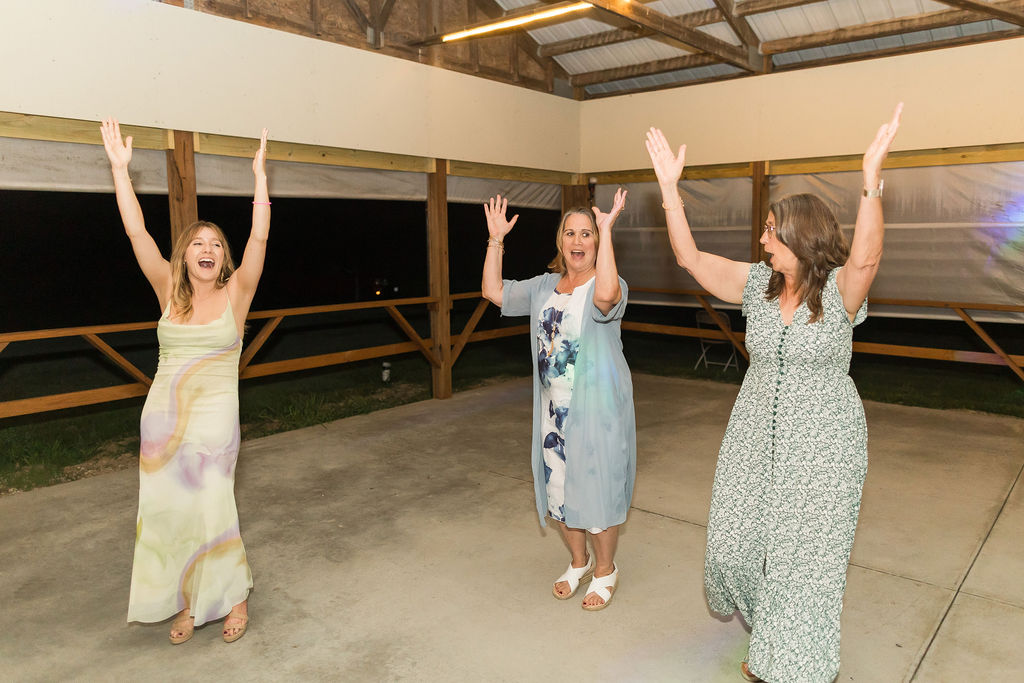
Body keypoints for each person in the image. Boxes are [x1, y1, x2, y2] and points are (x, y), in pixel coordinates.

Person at [645, 104, 902, 681]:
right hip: (754, 435)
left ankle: (789, 662)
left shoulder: (838, 292)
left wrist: (871, 180)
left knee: (802, 563)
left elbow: (867, 255)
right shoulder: (758, 284)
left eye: (770, 230)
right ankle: (776, 640)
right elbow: (690, 259)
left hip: (824, 445)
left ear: (799, 237)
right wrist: (669, 190)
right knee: (735, 546)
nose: (762, 238)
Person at [100, 117, 270, 644]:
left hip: (216, 420)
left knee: (214, 503)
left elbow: (260, 235)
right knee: (171, 513)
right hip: (162, 423)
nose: (207, 248)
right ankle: (189, 602)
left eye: (215, 244)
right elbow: (137, 233)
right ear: (185, 255)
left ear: (223, 258)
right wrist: (120, 172)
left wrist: (260, 179)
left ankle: (234, 597)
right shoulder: (166, 290)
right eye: (197, 242)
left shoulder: (237, 293)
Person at [481, 190, 636, 610]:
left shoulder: (609, 282)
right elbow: (493, 291)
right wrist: (496, 240)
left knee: (598, 488)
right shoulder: (545, 286)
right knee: (560, 487)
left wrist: (607, 229)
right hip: (554, 411)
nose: (578, 240)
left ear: (596, 243)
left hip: (599, 410)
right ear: (560, 241)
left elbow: (606, 296)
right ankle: (578, 562)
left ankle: (606, 570)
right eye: (571, 233)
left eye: (587, 233)